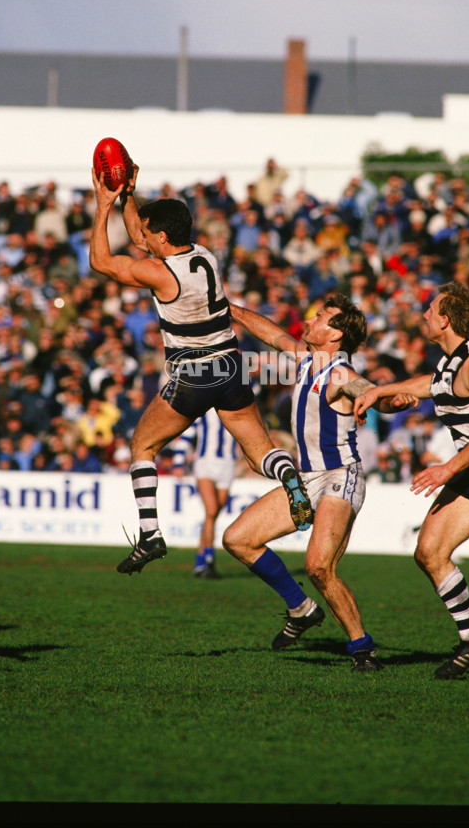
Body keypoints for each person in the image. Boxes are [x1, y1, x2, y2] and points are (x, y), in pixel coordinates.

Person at [90, 165, 314, 575]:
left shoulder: (159, 272)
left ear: (160, 237)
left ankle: (151, 534)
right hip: (231, 366)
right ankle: (291, 479)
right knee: (259, 453)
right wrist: (128, 196)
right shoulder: (203, 256)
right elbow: (143, 236)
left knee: (142, 446)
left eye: (147, 232)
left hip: (194, 374)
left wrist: (104, 205)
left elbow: (102, 262)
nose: (142, 237)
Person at [354, 281, 469, 683]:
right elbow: (428, 385)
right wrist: (380, 391)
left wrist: (446, 468)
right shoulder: (450, 360)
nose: (423, 315)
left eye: (430, 309)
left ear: (445, 319)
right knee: (429, 552)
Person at [223, 292, 416, 673]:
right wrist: (230, 308)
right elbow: (271, 334)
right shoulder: (306, 360)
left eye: (321, 316)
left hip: (340, 477)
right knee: (237, 540)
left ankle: (363, 650)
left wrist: (393, 402)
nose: (311, 318)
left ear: (335, 335)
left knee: (318, 567)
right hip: (307, 479)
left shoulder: (341, 373)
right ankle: (301, 608)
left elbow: (369, 394)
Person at [172, 408, 238, 579]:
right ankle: (209, 559)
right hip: (205, 463)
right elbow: (187, 434)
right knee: (211, 510)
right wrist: (178, 462)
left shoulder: (236, 406)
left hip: (227, 465)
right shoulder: (204, 408)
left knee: (213, 516)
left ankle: (200, 561)